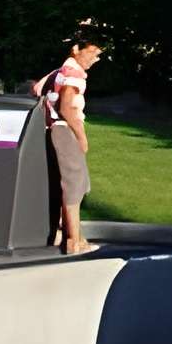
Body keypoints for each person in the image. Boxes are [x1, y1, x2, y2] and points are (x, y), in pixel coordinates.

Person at [31, 30, 104, 255]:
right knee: (75, 185)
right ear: (76, 49)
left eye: (98, 55)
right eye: (92, 53)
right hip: (64, 131)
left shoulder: (59, 72)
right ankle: (74, 241)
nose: (95, 59)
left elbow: (36, 90)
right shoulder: (73, 74)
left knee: (76, 183)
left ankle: (65, 235)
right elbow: (67, 108)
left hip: (55, 130)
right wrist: (82, 138)